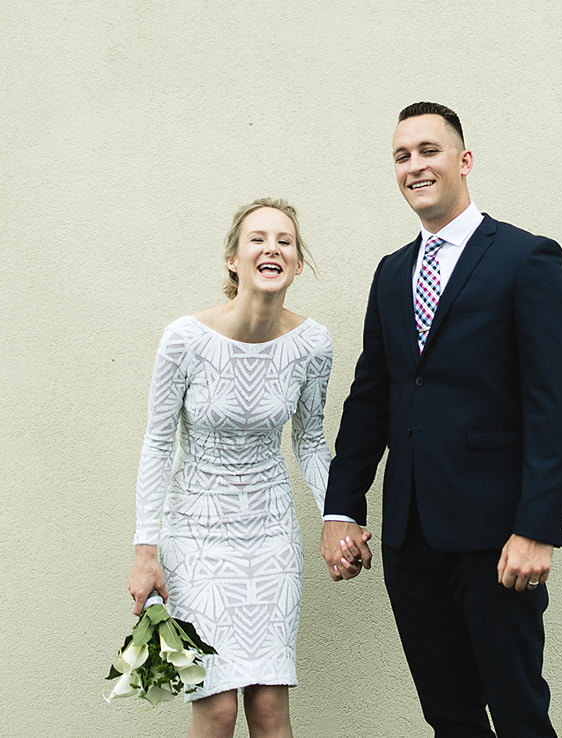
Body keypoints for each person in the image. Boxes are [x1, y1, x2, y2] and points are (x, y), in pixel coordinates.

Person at [321, 103, 562, 738]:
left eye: (429, 150)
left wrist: (536, 528)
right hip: (410, 538)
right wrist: (340, 508)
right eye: (402, 156)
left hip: (496, 539)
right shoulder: (391, 273)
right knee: (449, 717)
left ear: (464, 161)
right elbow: (372, 397)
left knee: (519, 713)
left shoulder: (527, 259)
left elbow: (557, 403)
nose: (416, 165)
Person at [129, 198, 362, 738]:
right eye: (257, 238)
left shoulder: (312, 345)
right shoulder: (185, 339)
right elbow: (158, 443)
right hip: (195, 536)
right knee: (217, 708)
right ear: (234, 259)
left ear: (298, 264)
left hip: (271, 536)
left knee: (268, 708)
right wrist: (146, 550)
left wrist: (340, 516)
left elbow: (308, 440)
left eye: (285, 240)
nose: (271, 248)